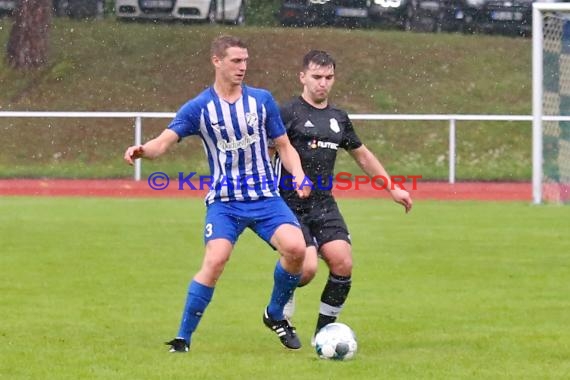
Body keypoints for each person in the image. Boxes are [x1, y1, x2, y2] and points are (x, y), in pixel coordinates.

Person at [124, 35, 311, 353]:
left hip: (265, 198)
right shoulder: (200, 107)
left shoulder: (262, 101)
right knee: (215, 260)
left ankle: (275, 314)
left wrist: (299, 174)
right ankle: (183, 338)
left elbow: (283, 146)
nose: (243, 66)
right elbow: (163, 142)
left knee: (297, 251)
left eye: (246, 60)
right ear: (217, 61)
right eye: (236, 60)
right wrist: (142, 150)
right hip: (225, 202)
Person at [274, 50, 413, 343]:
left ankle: (323, 333)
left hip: (323, 203)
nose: (323, 83)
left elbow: (362, 155)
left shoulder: (338, 117)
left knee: (342, 263)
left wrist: (392, 187)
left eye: (328, 77)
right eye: (316, 77)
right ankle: (278, 306)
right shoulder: (287, 113)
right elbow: (265, 152)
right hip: (288, 203)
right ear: (302, 77)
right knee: (307, 269)